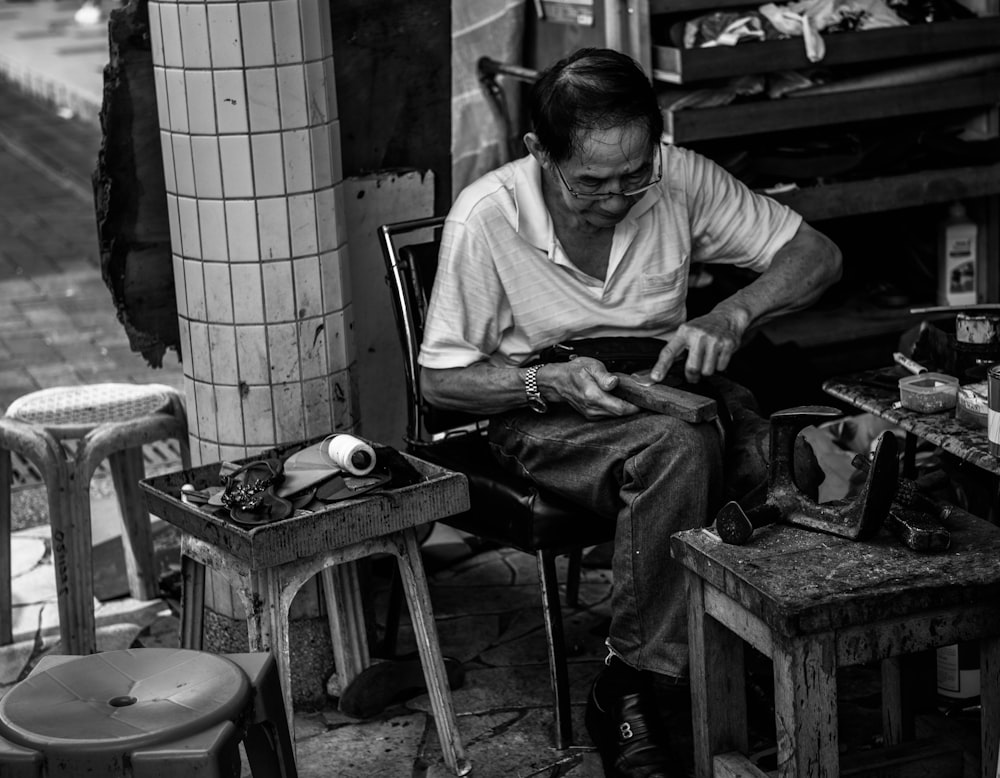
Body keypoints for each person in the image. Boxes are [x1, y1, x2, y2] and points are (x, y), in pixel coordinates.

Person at [418, 47, 842, 778]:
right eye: (592, 182)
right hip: (540, 402)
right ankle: (638, 684)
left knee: (784, 460)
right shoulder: (487, 216)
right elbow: (440, 383)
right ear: (538, 153)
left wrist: (733, 315)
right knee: (677, 452)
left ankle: (730, 654)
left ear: (657, 145)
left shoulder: (677, 179)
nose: (618, 198)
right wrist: (547, 383)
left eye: (635, 174)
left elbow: (817, 254)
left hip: (667, 382)